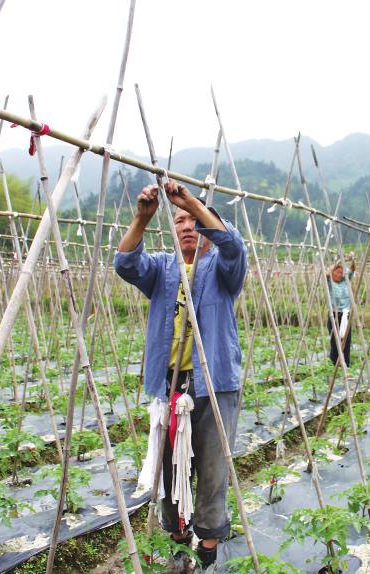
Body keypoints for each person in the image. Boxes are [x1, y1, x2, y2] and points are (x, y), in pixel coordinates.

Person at [114, 180, 247, 573]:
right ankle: (177, 545)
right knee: (172, 469)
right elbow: (124, 263)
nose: (187, 226)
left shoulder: (222, 268)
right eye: (179, 220)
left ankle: (205, 554)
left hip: (214, 385)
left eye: (193, 219)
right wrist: (142, 217)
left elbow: (233, 245)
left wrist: (189, 200)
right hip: (170, 384)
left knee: (211, 471)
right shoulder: (161, 268)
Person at [327, 259, 356, 368]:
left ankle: (346, 366)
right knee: (335, 343)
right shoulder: (330, 282)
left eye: (342, 272)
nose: (340, 274)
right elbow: (326, 272)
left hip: (345, 315)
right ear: (333, 272)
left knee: (346, 343)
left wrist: (351, 260)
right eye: (338, 272)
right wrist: (338, 262)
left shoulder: (345, 281)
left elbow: (353, 269)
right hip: (334, 315)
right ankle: (334, 366)